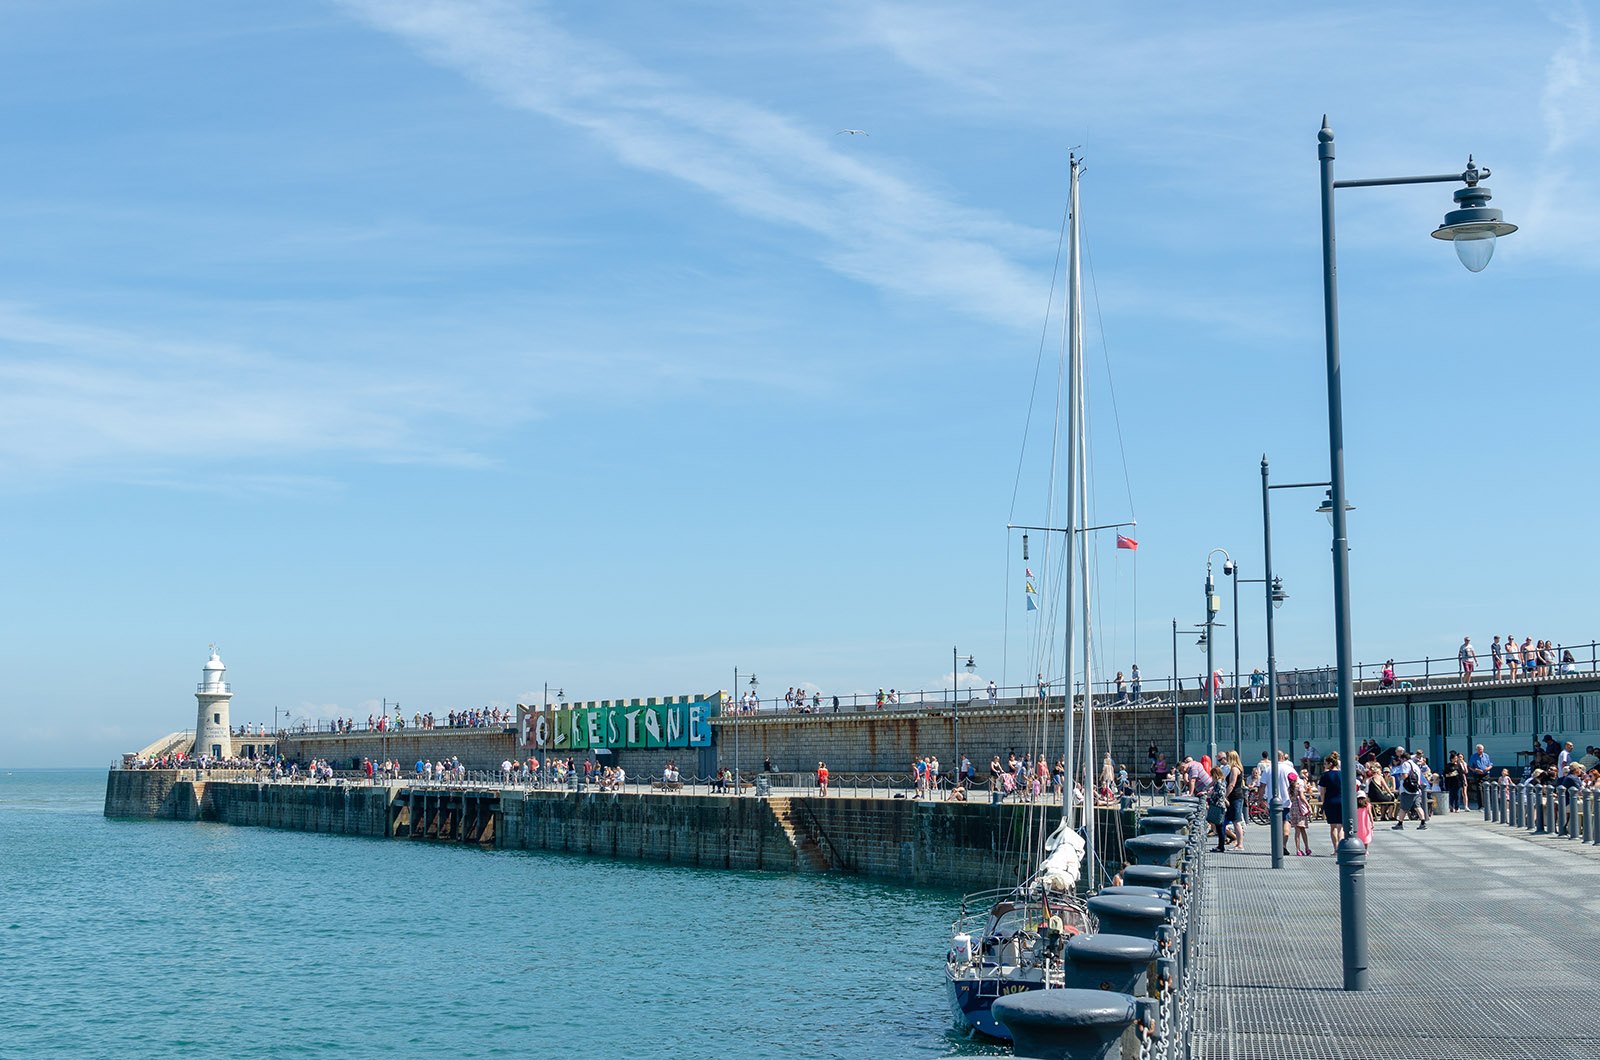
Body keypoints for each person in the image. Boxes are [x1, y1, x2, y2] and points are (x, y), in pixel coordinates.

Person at [1319, 753, 1344, 847]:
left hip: (1330, 801)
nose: (1325, 765)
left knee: (1333, 827)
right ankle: (1341, 847)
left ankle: (1335, 849)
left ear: (1330, 764)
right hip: (1341, 801)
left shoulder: (1325, 775)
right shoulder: (1342, 774)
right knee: (1341, 827)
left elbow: (1322, 792)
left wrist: (1323, 802)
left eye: (1326, 763)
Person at [1288, 770, 1313, 855]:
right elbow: (1302, 797)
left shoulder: (1289, 788)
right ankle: (1307, 848)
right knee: (1303, 830)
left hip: (1293, 809)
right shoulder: (1299, 787)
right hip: (1300, 809)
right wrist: (1308, 805)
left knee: (1297, 831)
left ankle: (1298, 850)